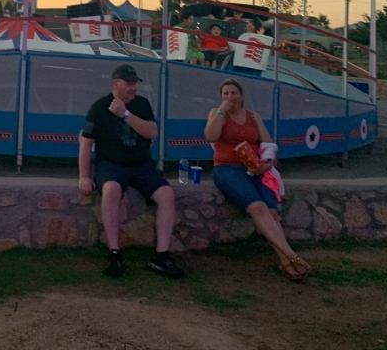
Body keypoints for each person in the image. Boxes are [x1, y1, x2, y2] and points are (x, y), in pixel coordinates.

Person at [78, 64, 184, 279]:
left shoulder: (142, 104)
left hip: (141, 164)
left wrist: (125, 114)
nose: (133, 87)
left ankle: (161, 256)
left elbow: (152, 131)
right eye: (129, 83)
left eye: (135, 83)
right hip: (111, 164)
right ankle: (114, 253)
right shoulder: (99, 107)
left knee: (166, 194)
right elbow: (86, 144)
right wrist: (84, 176)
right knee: (111, 191)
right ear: (116, 84)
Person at [204, 79, 311, 280]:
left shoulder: (253, 117)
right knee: (258, 208)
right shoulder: (217, 113)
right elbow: (210, 136)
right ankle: (292, 256)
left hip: (255, 169)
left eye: (233, 93)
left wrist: (267, 163)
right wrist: (221, 111)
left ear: (242, 96)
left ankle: (285, 262)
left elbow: (268, 143)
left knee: (271, 212)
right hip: (227, 169)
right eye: (225, 94)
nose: (230, 97)